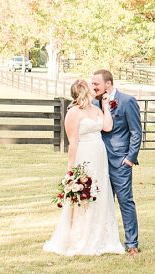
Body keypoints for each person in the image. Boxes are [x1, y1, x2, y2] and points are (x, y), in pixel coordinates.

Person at [43, 80, 124, 256]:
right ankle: (81, 237)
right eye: (90, 87)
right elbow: (73, 142)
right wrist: (70, 169)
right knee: (85, 193)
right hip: (84, 155)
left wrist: (105, 106)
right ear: (83, 91)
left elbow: (107, 126)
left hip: (99, 155)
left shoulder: (96, 109)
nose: (94, 89)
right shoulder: (73, 113)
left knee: (101, 192)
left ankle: (104, 236)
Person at [91, 69, 142, 255]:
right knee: (101, 203)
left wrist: (130, 158)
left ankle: (132, 244)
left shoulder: (127, 101)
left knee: (125, 201)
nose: (93, 86)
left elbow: (136, 132)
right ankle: (103, 241)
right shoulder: (93, 103)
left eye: (96, 83)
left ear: (108, 84)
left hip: (120, 162)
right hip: (99, 161)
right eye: (92, 83)